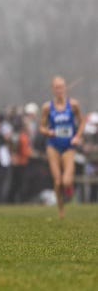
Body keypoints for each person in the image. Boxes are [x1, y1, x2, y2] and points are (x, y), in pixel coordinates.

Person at [40, 76, 85, 219]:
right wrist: (48, 132)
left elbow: (82, 122)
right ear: (53, 89)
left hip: (68, 146)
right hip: (53, 146)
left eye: (61, 87)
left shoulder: (73, 105)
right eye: (56, 87)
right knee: (58, 181)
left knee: (66, 181)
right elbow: (42, 127)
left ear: (65, 88)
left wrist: (78, 136)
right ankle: (61, 209)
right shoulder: (47, 107)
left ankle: (69, 187)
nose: (59, 90)